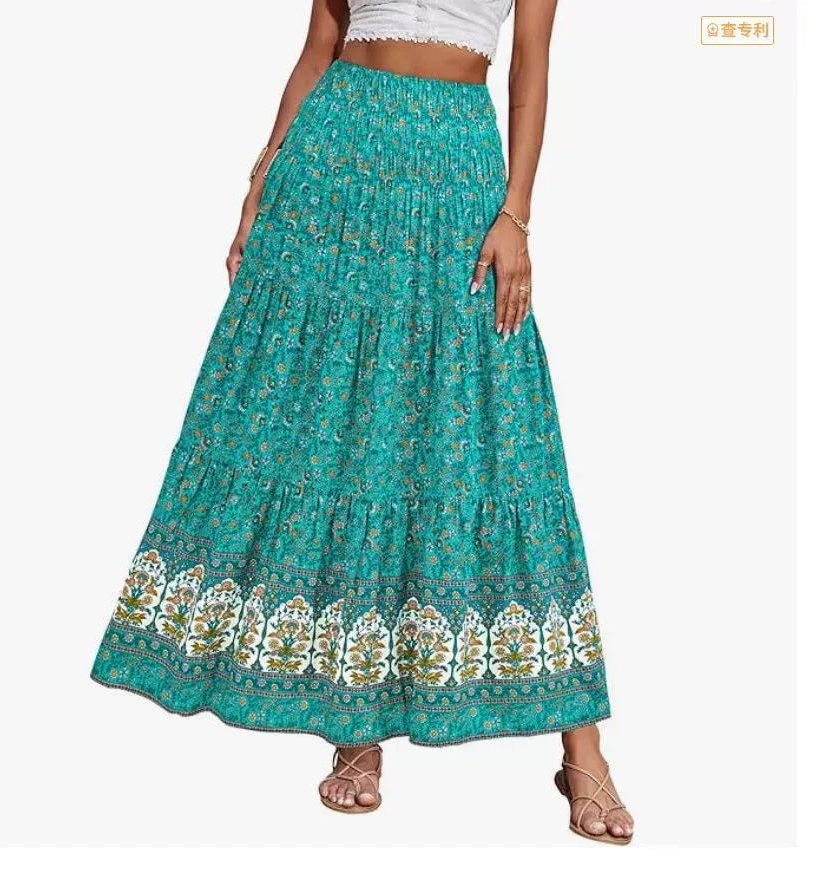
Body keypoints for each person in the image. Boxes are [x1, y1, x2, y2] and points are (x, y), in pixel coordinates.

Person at [91, 0, 634, 844]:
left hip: (455, 168)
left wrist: (516, 214)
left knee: (501, 430)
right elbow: (319, 47)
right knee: (340, 436)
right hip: (332, 160)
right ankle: (354, 728)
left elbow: (531, 67)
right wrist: (262, 178)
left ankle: (582, 748)